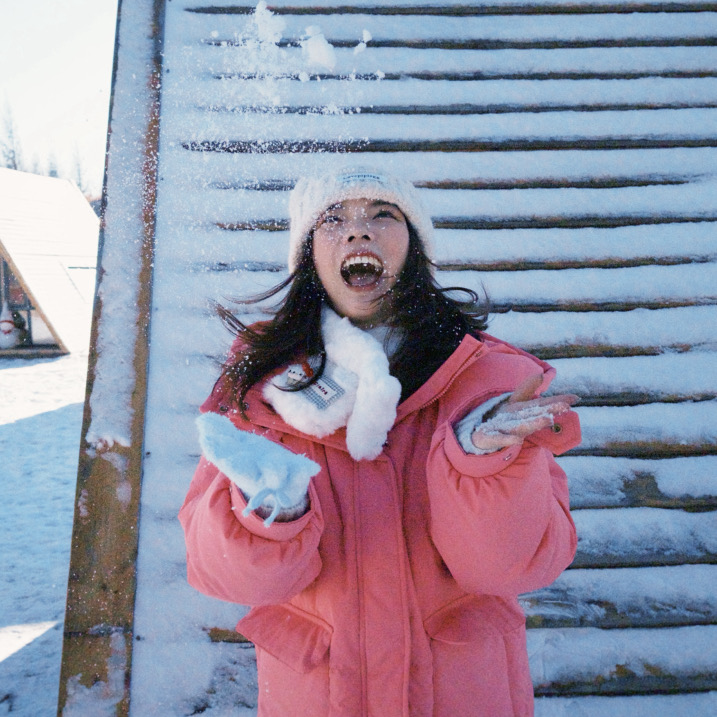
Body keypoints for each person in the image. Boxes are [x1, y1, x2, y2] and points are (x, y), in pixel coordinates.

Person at [179, 166, 581, 717]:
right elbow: (225, 574)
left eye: (383, 214)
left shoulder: (487, 382)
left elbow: (511, 567)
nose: (357, 229)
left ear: (414, 245)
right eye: (333, 218)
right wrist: (270, 510)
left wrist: (484, 465)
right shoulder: (260, 388)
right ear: (308, 255)